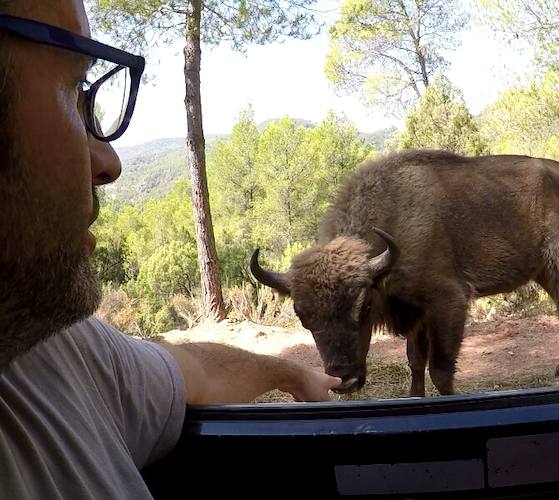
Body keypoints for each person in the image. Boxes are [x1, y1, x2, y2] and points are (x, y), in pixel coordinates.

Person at [0, 1, 341, 497]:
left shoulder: (54, 346)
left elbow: (190, 369)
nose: (109, 163)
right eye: (74, 88)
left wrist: (289, 371)